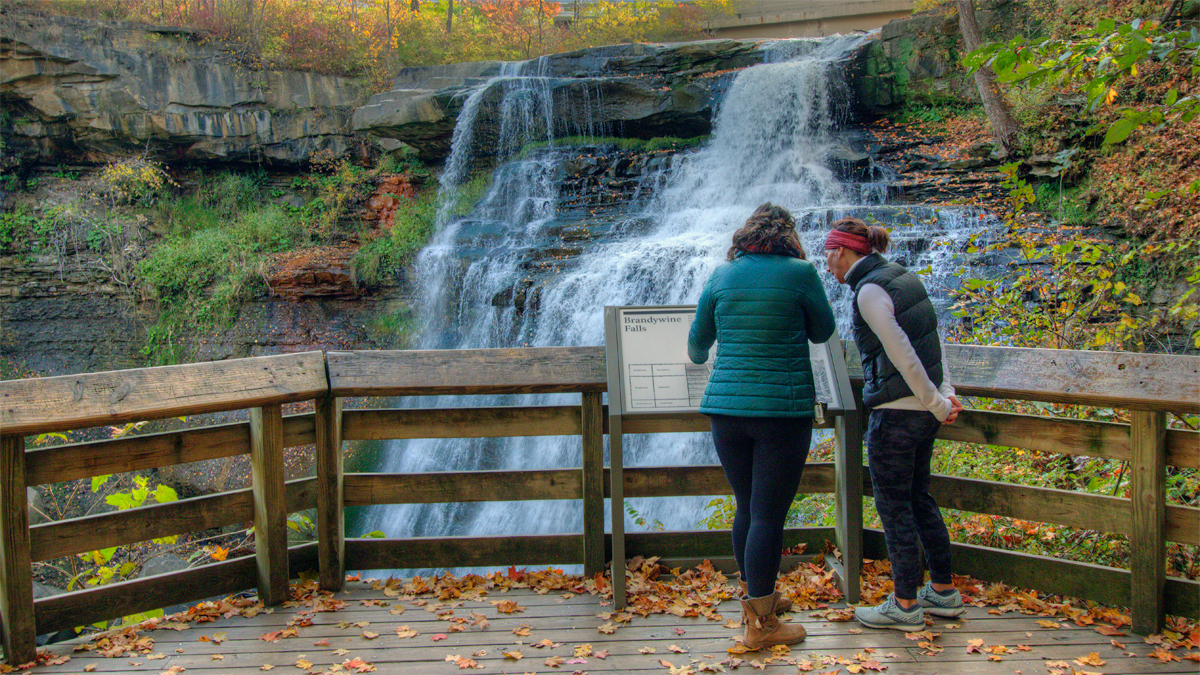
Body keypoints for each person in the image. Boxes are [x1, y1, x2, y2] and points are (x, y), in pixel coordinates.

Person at [688, 202, 836, 650]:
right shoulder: (801, 273)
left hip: (726, 413)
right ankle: (762, 625)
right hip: (780, 412)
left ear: (745, 234)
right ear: (788, 236)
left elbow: (697, 347)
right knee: (768, 515)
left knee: (747, 507)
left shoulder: (721, 275)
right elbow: (824, 331)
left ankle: (758, 598)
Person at [822, 217, 966, 632]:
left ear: (846, 251)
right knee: (918, 498)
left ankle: (904, 603)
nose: (827, 265)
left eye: (829, 254)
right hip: (922, 410)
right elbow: (932, 342)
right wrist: (944, 394)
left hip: (897, 412)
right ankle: (942, 591)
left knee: (894, 507)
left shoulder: (869, 291)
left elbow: (903, 354)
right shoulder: (904, 278)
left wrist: (938, 402)